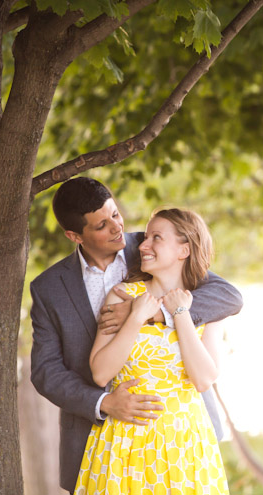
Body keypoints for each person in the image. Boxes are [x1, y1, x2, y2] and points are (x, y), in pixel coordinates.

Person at [30, 177, 242, 493]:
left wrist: (155, 312)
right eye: (102, 225)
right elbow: (47, 372)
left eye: (115, 214)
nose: (117, 229)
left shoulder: (150, 246)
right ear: (75, 235)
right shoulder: (49, 288)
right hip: (110, 440)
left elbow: (227, 296)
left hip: (184, 439)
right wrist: (103, 402)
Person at [75, 207, 229, 494]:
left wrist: (179, 314)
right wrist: (135, 316)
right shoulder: (123, 295)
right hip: (125, 441)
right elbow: (100, 373)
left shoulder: (209, 306)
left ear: (184, 249)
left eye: (156, 238)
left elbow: (203, 380)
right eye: (145, 237)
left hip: (184, 443)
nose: (143, 246)